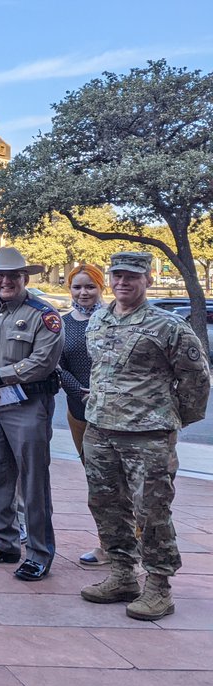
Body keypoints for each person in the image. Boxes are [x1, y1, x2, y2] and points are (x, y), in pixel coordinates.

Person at [80, 252, 209, 621]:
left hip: (147, 435)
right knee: (106, 505)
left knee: (151, 511)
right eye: (117, 275)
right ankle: (122, 575)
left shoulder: (168, 326)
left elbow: (197, 379)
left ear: (147, 279)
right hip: (101, 429)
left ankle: (159, 587)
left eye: (131, 277)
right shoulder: (100, 318)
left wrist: (171, 418)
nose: (123, 282)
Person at [0, 248, 64, 582]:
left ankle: (38, 553)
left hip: (28, 406)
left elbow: (43, 362)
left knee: (33, 481)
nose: (5, 281)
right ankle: (4, 542)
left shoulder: (43, 314)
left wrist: (0, 376)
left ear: (25, 278)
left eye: (13, 276)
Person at [59, 263, 108, 566]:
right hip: (79, 412)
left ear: (101, 287)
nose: (83, 292)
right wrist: (81, 391)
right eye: (77, 286)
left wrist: (101, 392)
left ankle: (135, 543)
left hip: (114, 411)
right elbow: (56, 365)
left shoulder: (113, 319)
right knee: (97, 483)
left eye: (90, 286)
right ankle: (106, 543)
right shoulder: (63, 323)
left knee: (123, 483)